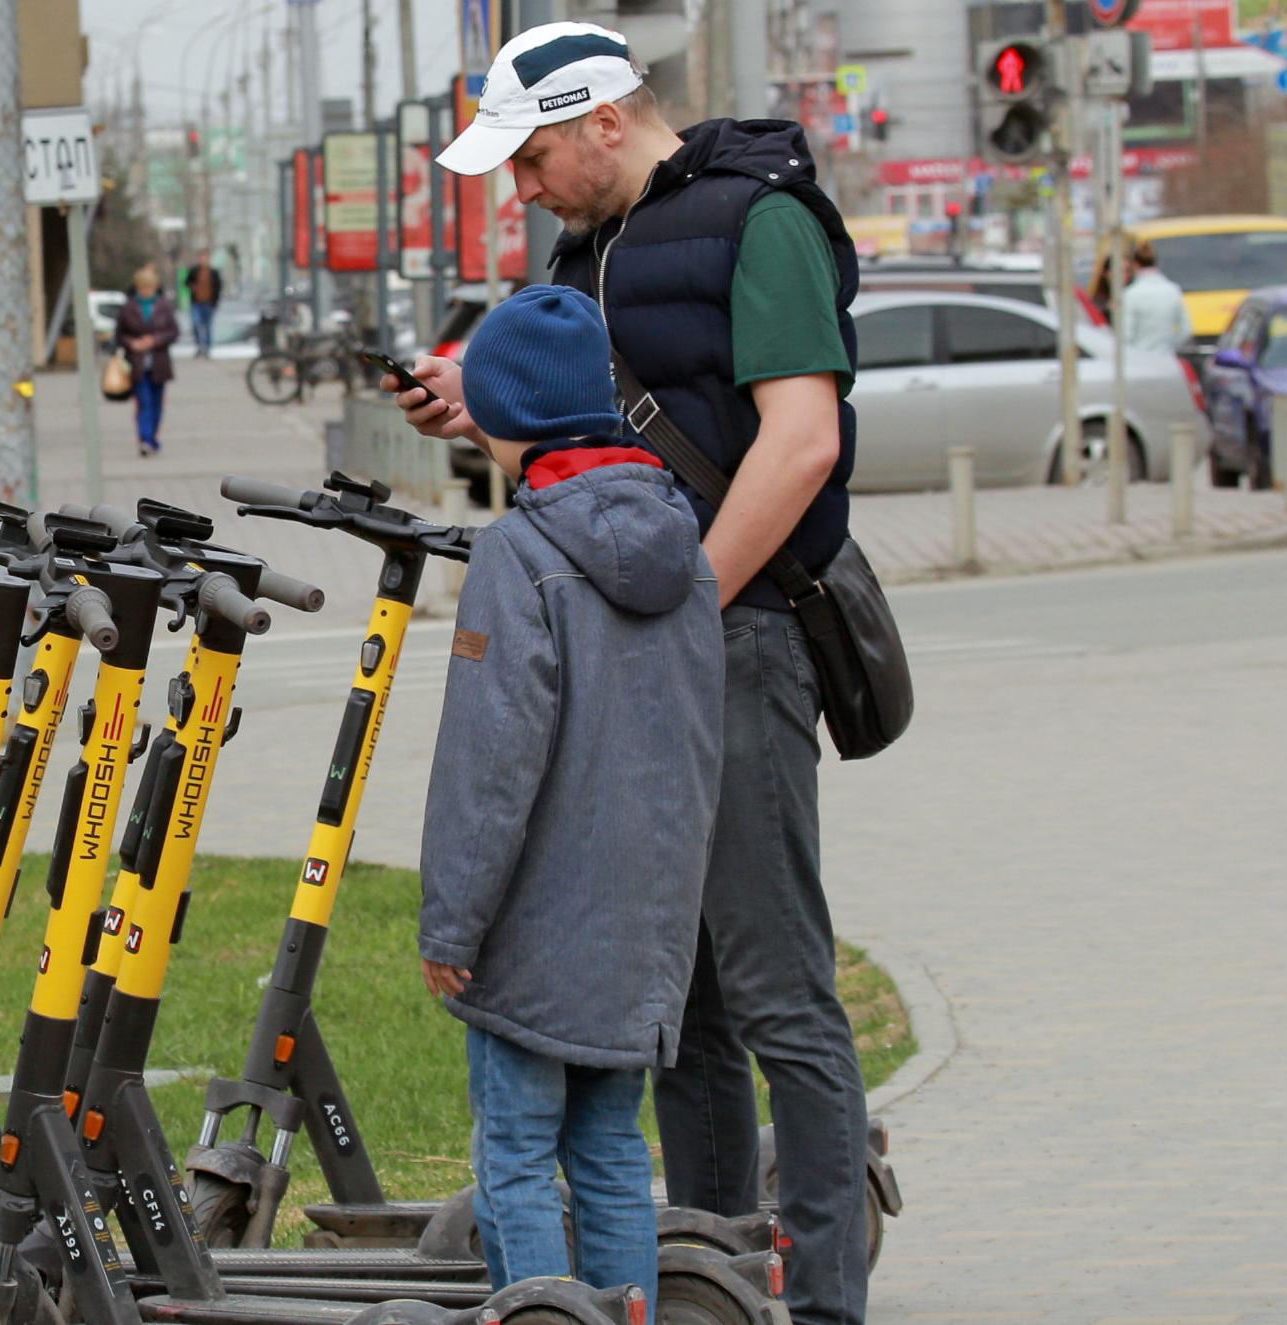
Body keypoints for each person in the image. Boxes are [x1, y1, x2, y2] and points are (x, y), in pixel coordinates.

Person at [395, 21, 875, 1325]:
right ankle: (704, 1274)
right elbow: (598, 458)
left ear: (608, 117)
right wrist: (478, 408)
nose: (522, 187)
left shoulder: (759, 221)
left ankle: (826, 1299)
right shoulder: (585, 252)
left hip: (740, 638)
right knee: (682, 1002)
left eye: (535, 156)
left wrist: (688, 608)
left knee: (779, 987)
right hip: (647, 648)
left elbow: (801, 441)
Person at [419, 283, 724, 1306]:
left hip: (535, 932)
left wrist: (452, 921)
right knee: (609, 1149)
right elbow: (695, 746)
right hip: (642, 924)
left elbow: (489, 763)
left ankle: (541, 1308)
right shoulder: (685, 549)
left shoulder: (518, 553)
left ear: (503, 414)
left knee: (513, 1151)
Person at [110, 265, 181, 457]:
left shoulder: (163, 306)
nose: (146, 290)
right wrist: (133, 344)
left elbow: (173, 332)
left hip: (159, 363)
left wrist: (155, 340)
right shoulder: (129, 308)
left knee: (157, 404)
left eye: (149, 287)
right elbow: (119, 335)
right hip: (137, 364)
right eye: (143, 287)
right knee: (144, 402)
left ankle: (153, 437)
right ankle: (145, 439)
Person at [1117, 241, 1188, 360]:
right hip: (1167, 359)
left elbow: (1126, 335)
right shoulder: (1173, 290)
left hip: (1139, 360)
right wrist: (1171, 346)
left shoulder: (1130, 294)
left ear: (1135, 265)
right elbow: (1186, 330)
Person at [182, 253, 227, 356]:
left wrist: (215, 302)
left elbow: (218, 287)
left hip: (209, 303)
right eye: (201, 258)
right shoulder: (194, 271)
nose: (203, 260)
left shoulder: (213, 272)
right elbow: (186, 283)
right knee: (196, 323)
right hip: (196, 303)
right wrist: (192, 287)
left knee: (208, 326)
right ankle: (199, 345)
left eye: (205, 258)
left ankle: (207, 348)